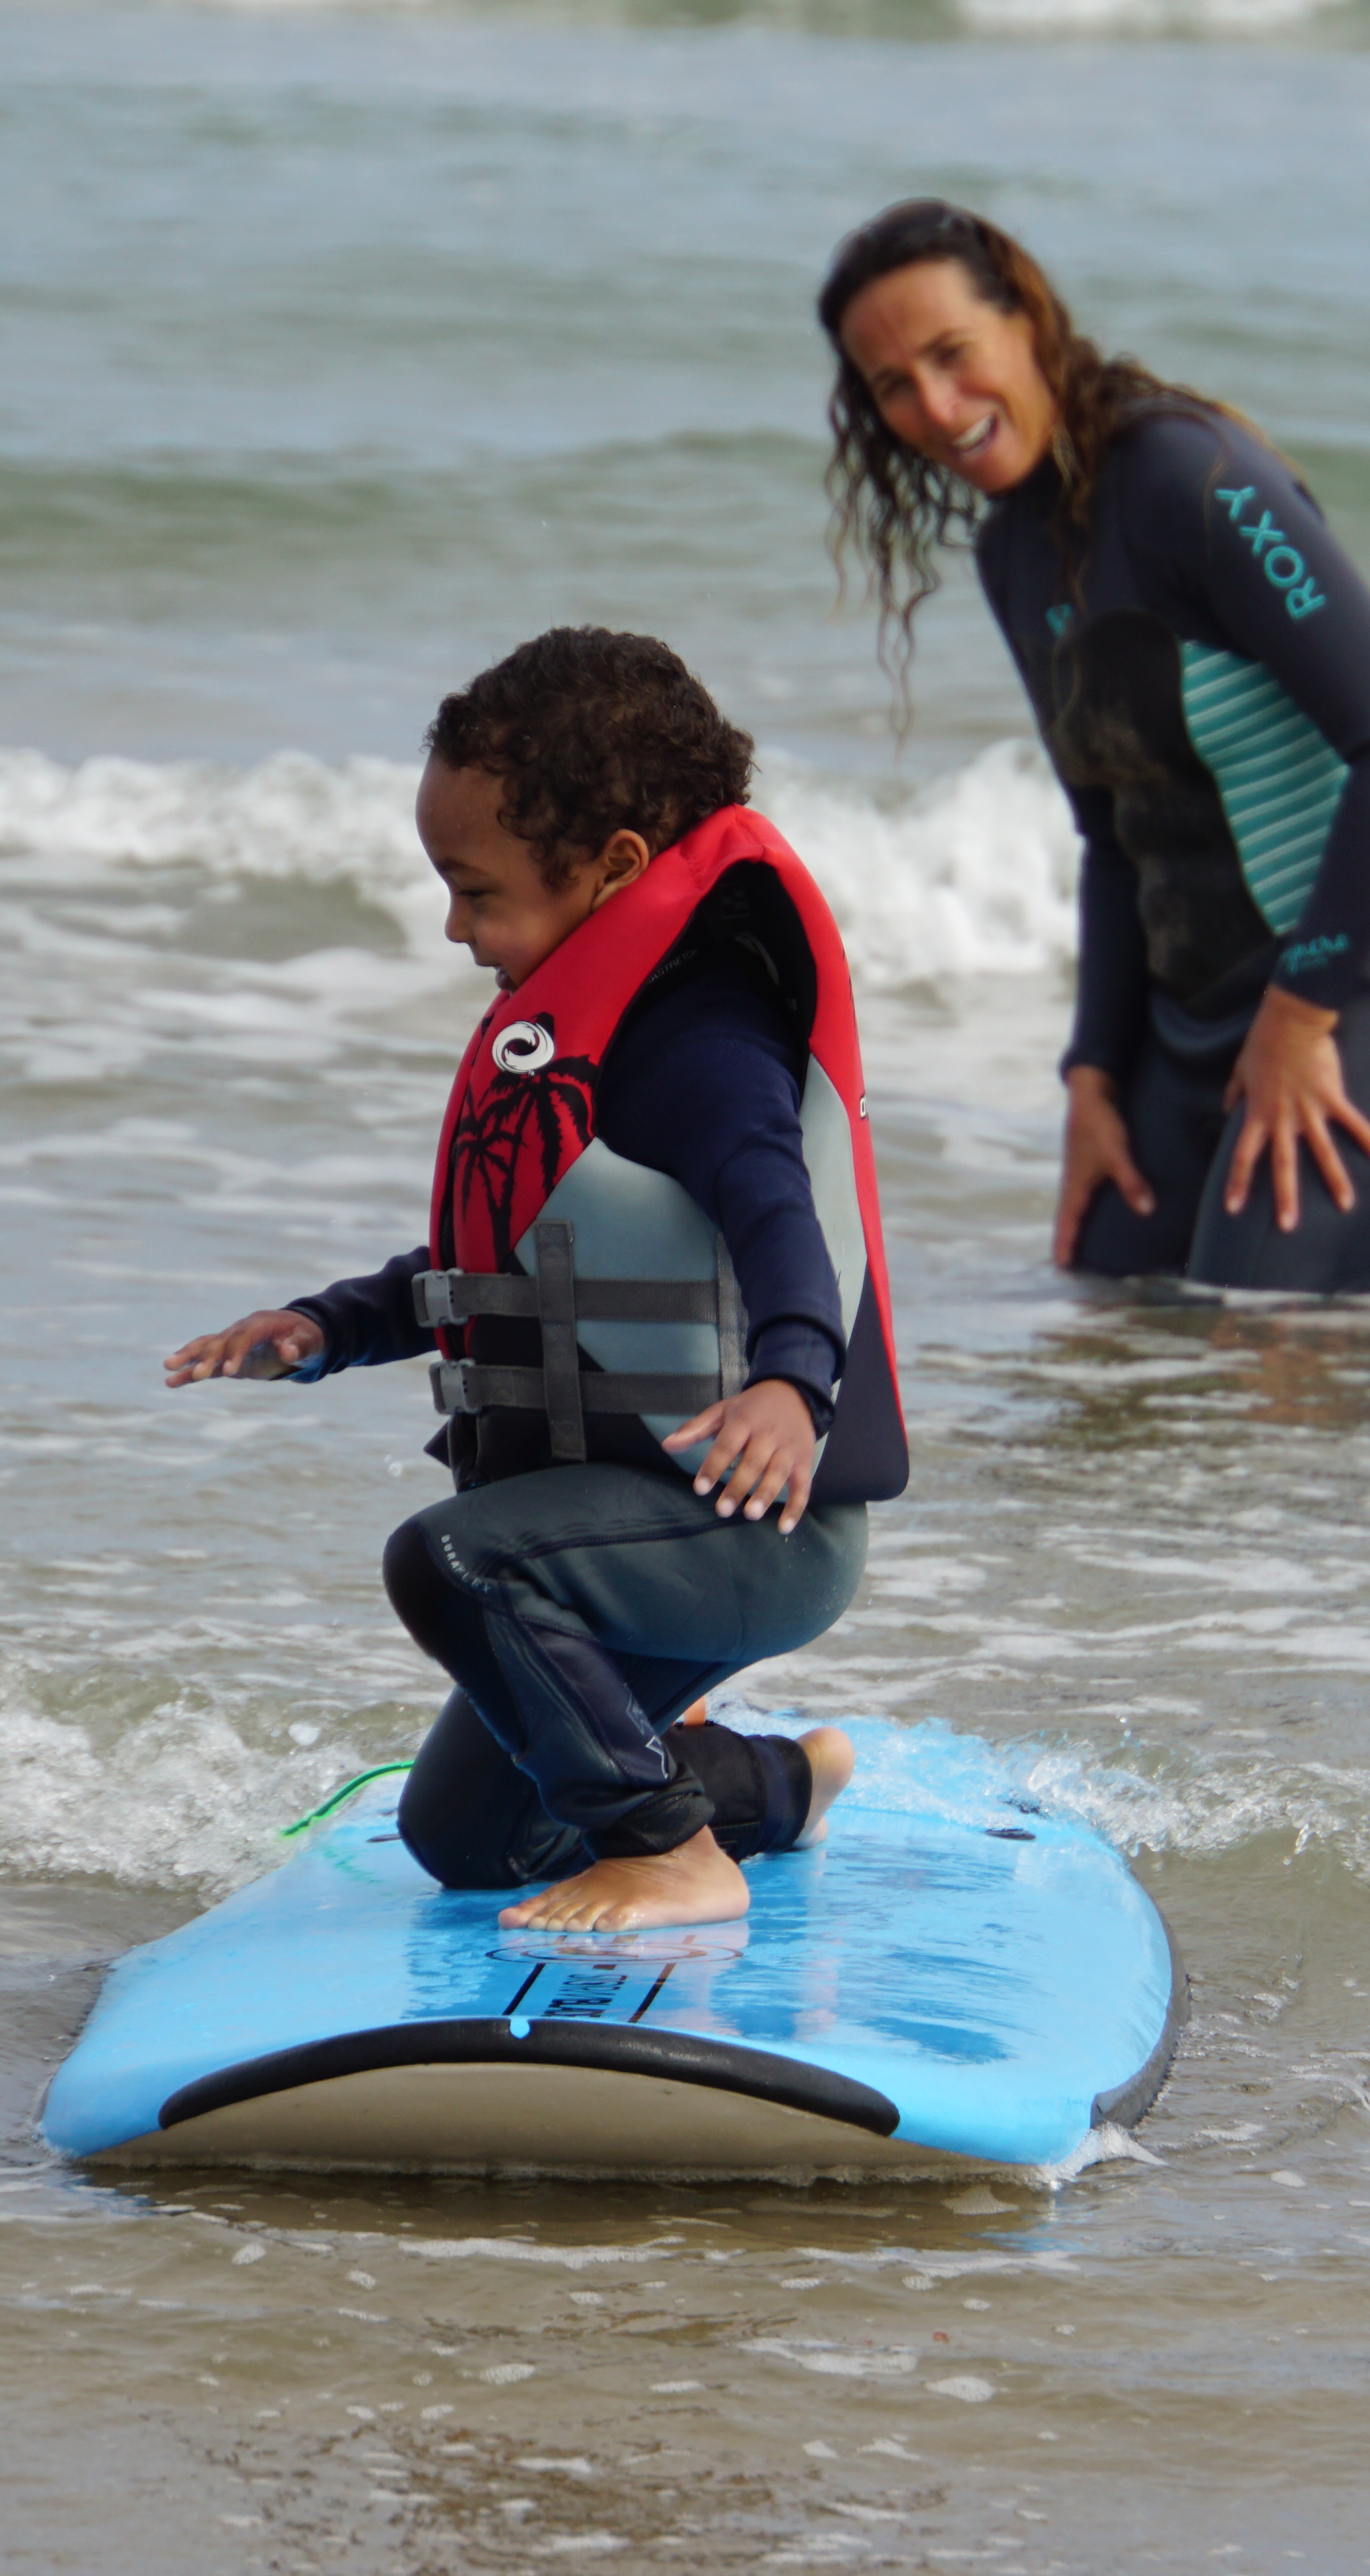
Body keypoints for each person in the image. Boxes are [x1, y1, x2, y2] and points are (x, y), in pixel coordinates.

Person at [165, 628, 908, 1934]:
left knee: (449, 1557)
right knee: (465, 1835)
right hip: (633, 1523)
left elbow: (778, 1214)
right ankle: (779, 1786)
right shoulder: (583, 1034)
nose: (454, 927)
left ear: (612, 864)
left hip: (747, 1523)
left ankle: (674, 1853)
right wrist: (326, 1326)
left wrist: (796, 1382)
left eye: (475, 890)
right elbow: (514, 1266)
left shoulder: (700, 1044)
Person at [819, 198, 1370, 1295]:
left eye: (952, 353)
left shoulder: (1189, 476)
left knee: (1257, 1348)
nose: (935, 406)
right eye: (893, 385)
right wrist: (1092, 1079)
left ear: (1026, 320)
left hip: (1349, 999)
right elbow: (1113, 840)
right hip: (1180, 1039)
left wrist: (1300, 1016)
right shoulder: (1012, 554)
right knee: (1105, 1342)